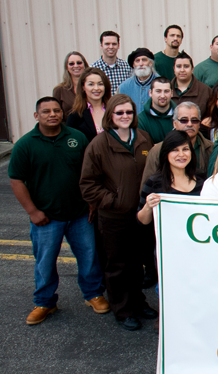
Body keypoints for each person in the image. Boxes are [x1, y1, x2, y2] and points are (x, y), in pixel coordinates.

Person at [10, 97, 105, 325]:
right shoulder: (25, 145)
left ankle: (93, 294)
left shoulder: (77, 138)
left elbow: (90, 172)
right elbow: (16, 180)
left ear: (62, 114)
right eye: (46, 111)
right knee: (45, 262)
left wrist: (92, 202)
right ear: (36, 116)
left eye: (56, 110)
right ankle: (45, 302)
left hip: (80, 213)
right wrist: (32, 211)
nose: (52, 114)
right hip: (46, 217)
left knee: (89, 256)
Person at [79, 94, 157, 331]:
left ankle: (137, 301)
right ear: (110, 115)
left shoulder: (143, 138)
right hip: (114, 217)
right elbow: (88, 184)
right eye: (119, 112)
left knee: (136, 263)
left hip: (140, 215)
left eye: (129, 112)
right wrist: (113, 201)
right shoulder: (99, 145)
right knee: (117, 266)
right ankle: (123, 310)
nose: (125, 116)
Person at [137, 130, 205, 225]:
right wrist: (148, 206)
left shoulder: (202, 181)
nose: (181, 154)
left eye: (185, 149)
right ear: (166, 153)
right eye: (175, 150)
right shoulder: (154, 182)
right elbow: (142, 221)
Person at [142, 101, 215, 182]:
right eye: (184, 120)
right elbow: (147, 185)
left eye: (194, 120)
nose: (189, 124)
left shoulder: (212, 149)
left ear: (199, 124)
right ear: (174, 123)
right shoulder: (157, 151)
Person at [66, 68, 111, 143]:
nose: (96, 88)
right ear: (83, 87)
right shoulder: (75, 115)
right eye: (91, 84)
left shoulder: (114, 110)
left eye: (100, 84)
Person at [171, 51, 211, 116]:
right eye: (179, 66)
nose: (182, 70)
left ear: (192, 69)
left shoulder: (205, 91)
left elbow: (212, 116)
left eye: (186, 66)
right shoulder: (166, 90)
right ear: (174, 69)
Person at [137, 77, 176, 143]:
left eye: (166, 91)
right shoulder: (141, 120)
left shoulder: (181, 117)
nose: (162, 96)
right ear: (150, 93)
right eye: (158, 91)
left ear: (171, 93)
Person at [53, 51, 88, 117]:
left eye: (79, 63)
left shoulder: (92, 87)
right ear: (67, 67)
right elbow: (56, 113)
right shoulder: (59, 90)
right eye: (71, 64)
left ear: (84, 65)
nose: (76, 66)